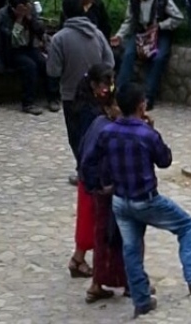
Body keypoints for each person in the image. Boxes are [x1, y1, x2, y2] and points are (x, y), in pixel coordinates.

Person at [88, 83, 191, 317]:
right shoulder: (146, 134)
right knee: (186, 226)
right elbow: (165, 160)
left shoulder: (107, 132)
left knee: (131, 250)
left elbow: (92, 160)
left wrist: (104, 183)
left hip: (120, 200)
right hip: (146, 199)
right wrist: (153, 130)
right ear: (141, 106)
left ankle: (142, 300)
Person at [70, 64, 124, 297]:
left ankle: (79, 259)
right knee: (95, 224)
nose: (107, 88)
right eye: (104, 84)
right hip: (95, 177)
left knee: (91, 222)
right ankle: (85, 264)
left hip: (92, 176)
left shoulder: (96, 108)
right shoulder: (89, 114)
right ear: (93, 85)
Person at [50, 0, 115, 164]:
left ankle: (84, 170)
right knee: (96, 131)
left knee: (76, 135)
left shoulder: (59, 39)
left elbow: (53, 70)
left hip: (71, 95)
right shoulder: (97, 34)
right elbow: (110, 62)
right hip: (97, 94)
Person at [113, 0, 183, 109]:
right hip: (140, 33)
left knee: (159, 58)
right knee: (129, 54)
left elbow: (178, 17)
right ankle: (119, 92)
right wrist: (119, 35)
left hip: (160, 34)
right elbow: (129, 20)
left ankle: (148, 96)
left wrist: (161, 25)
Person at [0, 0, 51, 115]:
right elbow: (11, 39)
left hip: (29, 47)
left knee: (43, 63)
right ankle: (28, 102)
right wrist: (19, 19)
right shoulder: (2, 15)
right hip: (11, 51)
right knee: (30, 66)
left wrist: (31, 19)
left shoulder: (30, 11)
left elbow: (40, 31)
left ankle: (52, 97)